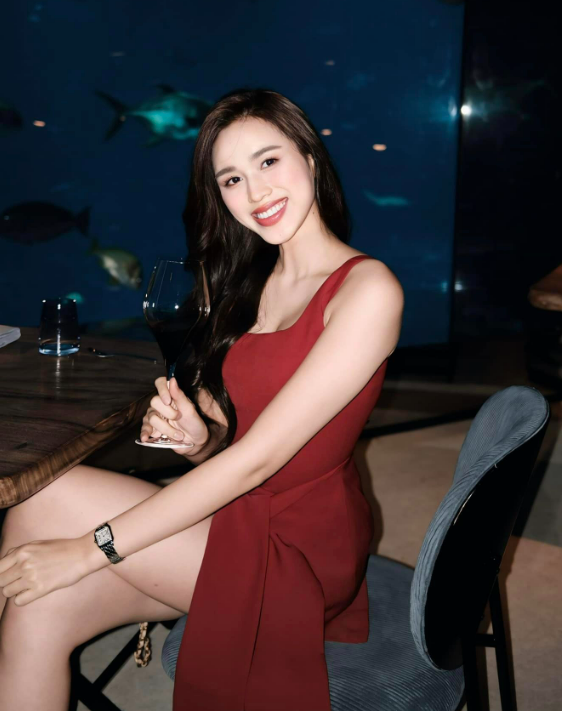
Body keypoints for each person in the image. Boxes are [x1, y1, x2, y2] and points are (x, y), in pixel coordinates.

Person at [0, 87, 404, 710]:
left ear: (310, 158)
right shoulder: (244, 280)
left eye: (269, 161)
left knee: (45, 499)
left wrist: (88, 550)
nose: (256, 192)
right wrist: (199, 439)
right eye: (232, 179)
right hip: (236, 512)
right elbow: (231, 446)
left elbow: (258, 461)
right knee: (36, 606)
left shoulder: (368, 290)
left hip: (299, 550)